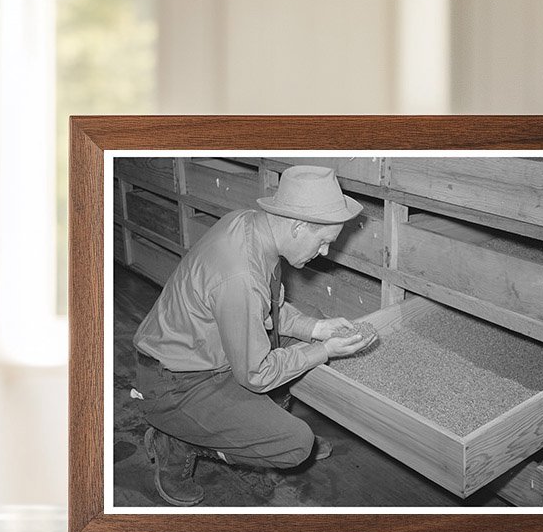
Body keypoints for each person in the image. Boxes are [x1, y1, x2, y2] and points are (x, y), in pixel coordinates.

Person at [133, 164, 374, 506]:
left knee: (312, 329)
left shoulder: (251, 225)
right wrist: (324, 350)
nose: (324, 253)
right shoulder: (240, 274)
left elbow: (267, 310)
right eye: (323, 242)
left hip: (210, 357)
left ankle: (245, 427)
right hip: (175, 383)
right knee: (296, 445)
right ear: (298, 226)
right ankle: (176, 438)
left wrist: (316, 329)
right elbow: (257, 373)